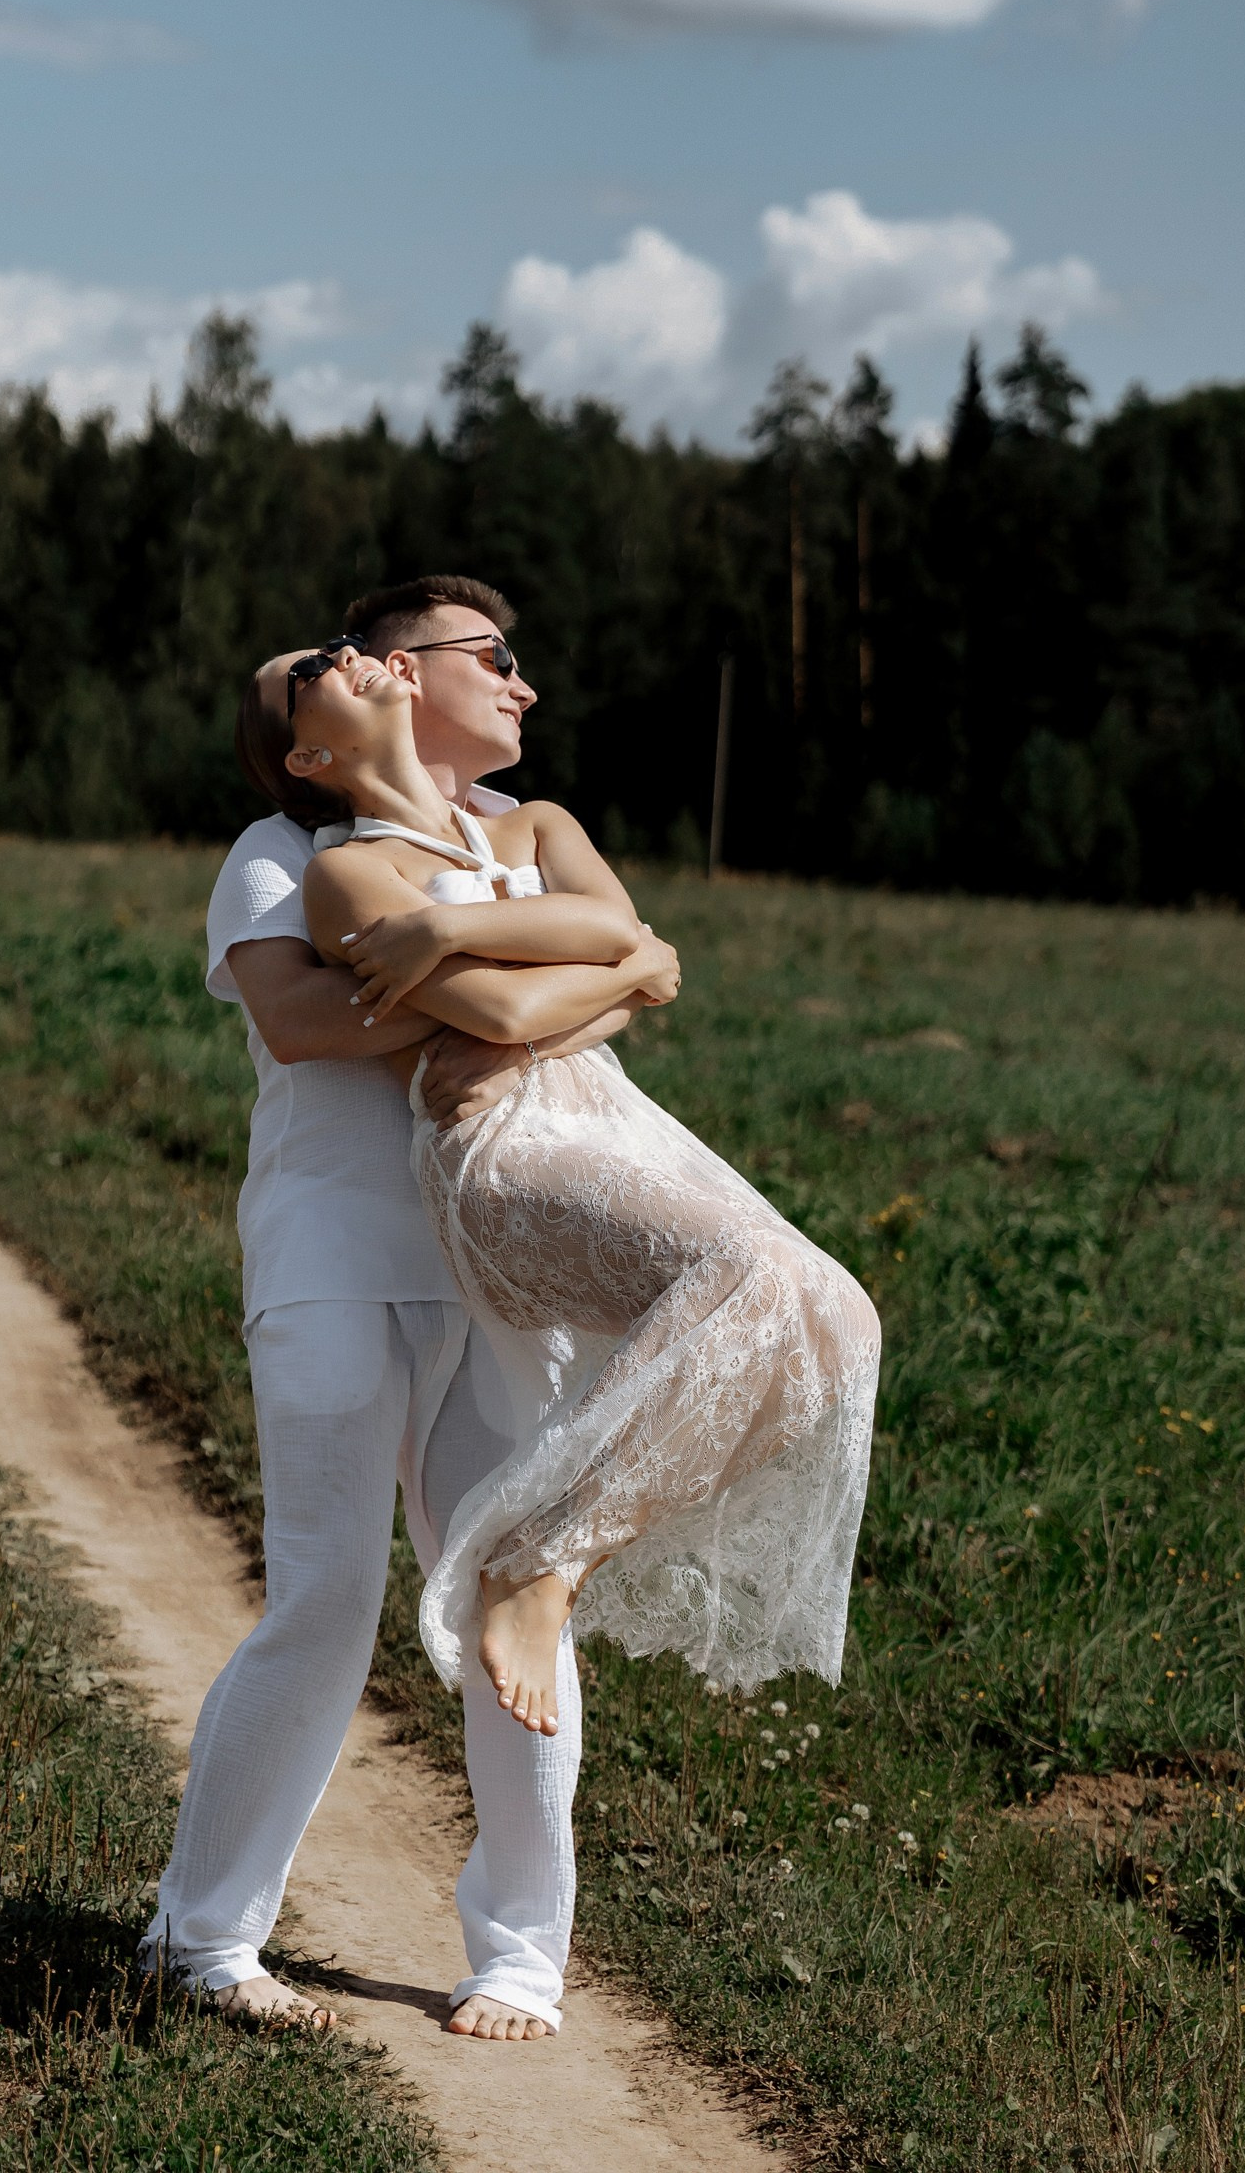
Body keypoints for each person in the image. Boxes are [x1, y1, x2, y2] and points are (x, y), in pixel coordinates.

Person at [138, 578, 681, 2042]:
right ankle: (204, 1935)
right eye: (487, 657)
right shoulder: (281, 852)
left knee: (516, 1593)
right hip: (332, 1254)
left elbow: (625, 965)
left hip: (502, 1275)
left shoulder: (512, 837)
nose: (512, 680)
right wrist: (541, 978)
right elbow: (307, 1023)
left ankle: (521, 1950)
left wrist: (499, 965)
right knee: (326, 1597)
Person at [266, 641, 881, 1744]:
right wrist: (620, 975)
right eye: (320, 664)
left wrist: (454, 927)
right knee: (749, 1274)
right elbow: (529, 1006)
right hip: (494, 1149)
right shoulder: (344, 875)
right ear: (308, 751)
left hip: (618, 1124)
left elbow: (621, 944)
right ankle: (531, 1563)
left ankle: (556, 1553)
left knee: (837, 1315)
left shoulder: (535, 826)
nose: (353, 654)